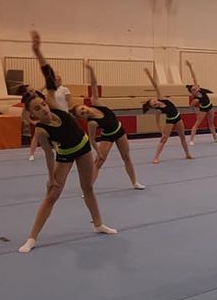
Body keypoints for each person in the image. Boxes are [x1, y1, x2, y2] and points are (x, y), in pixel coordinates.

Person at [18, 31, 117, 253]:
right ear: (32, 114)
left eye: (43, 104)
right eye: (37, 109)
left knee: (87, 187)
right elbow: (48, 154)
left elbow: (48, 75)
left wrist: (37, 51)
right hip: (64, 155)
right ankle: (32, 238)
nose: (43, 109)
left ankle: (98, 224)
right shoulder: (41, 130)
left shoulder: (54, 105)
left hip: (83, 147)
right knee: (52, 196)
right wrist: (50, 177)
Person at [71, 64, 145, 189]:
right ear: (82, 118)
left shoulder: (96, 103)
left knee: (126, 157)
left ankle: (134, 182)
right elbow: (92, 140)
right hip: (108, 136)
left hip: (119, 131)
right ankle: (88, 188)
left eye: (83, 109)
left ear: (85, 105)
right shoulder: (92, 123)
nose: (85, 111)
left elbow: (94, 85)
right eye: (82, 114)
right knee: (98, 162)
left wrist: (91, 70)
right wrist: (99, 152)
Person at [142, 68, 193, 164]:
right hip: (170, 120)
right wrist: (161, 131)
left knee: (182, 137)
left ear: (155, 99)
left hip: (178, 117)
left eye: (154, 101)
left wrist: (149, 75)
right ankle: (156, 157)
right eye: (154, 104)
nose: (156, 103)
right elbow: (157, 122)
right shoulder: (158, 111)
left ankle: (187, 154)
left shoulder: (161, 98)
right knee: (164, 139)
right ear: (154, 107)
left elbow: (155, 86)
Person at [184, 60, 217, 145]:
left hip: (210, 107)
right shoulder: (196, 99)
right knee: (197, 124)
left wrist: (190, 67)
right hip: (203, 109)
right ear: (192, 92)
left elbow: (194, 77)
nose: (196, 88)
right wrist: (196, 112)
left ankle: (215, 138)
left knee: (211, 124)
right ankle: (191, 140)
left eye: (195, 87)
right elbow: (191, 106)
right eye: (194, 89)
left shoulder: (199, 89)